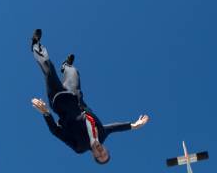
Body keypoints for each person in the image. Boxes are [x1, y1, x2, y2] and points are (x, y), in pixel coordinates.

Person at [30, 29, 149, 164]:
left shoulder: (79, 147)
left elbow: (56, 131)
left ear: (94, 156)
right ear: (105, 149)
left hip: (59, 101)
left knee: (49, 70)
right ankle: (66, 66)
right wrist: (134, 125)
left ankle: (35, 45)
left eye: (99, 156)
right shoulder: (103, 134)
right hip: (75, 95)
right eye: (104, 152)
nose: (100, 152)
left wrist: (46, 113)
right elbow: (115, 127)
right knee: (74, 72)